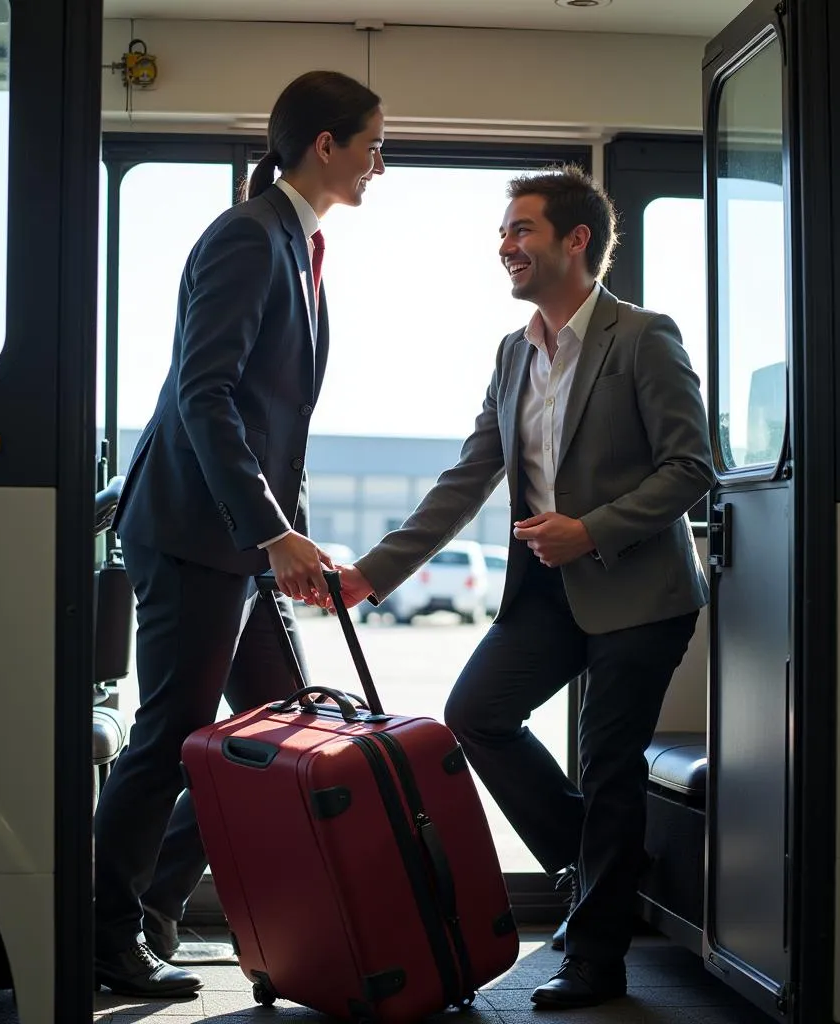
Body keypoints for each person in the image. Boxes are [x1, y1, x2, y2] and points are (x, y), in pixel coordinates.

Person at [335, 166, 714, 1010]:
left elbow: (692, 467)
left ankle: (597, 957)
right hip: (547, 596)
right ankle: (597, 862)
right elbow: (469, 475)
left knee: (610, 765)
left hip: (641, 596)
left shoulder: (642, 336)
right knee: (474, 715)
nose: (504, 245)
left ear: (576, 240)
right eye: (504, 231)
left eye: (521, 229)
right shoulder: (514, 353)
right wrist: (373, 572)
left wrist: (593, 528)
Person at [93, 70, 385, 998]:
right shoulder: (249, 237)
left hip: (241, 541)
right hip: (193, 531)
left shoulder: (297, 248)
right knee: (170, 731)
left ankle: (153, 903)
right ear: (325, 144)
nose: (383, 161)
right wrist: (269, 535)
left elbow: (265, 418)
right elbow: (204, 396)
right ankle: (104, 929)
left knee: (283, 726)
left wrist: (286, 539)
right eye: (373, 143)